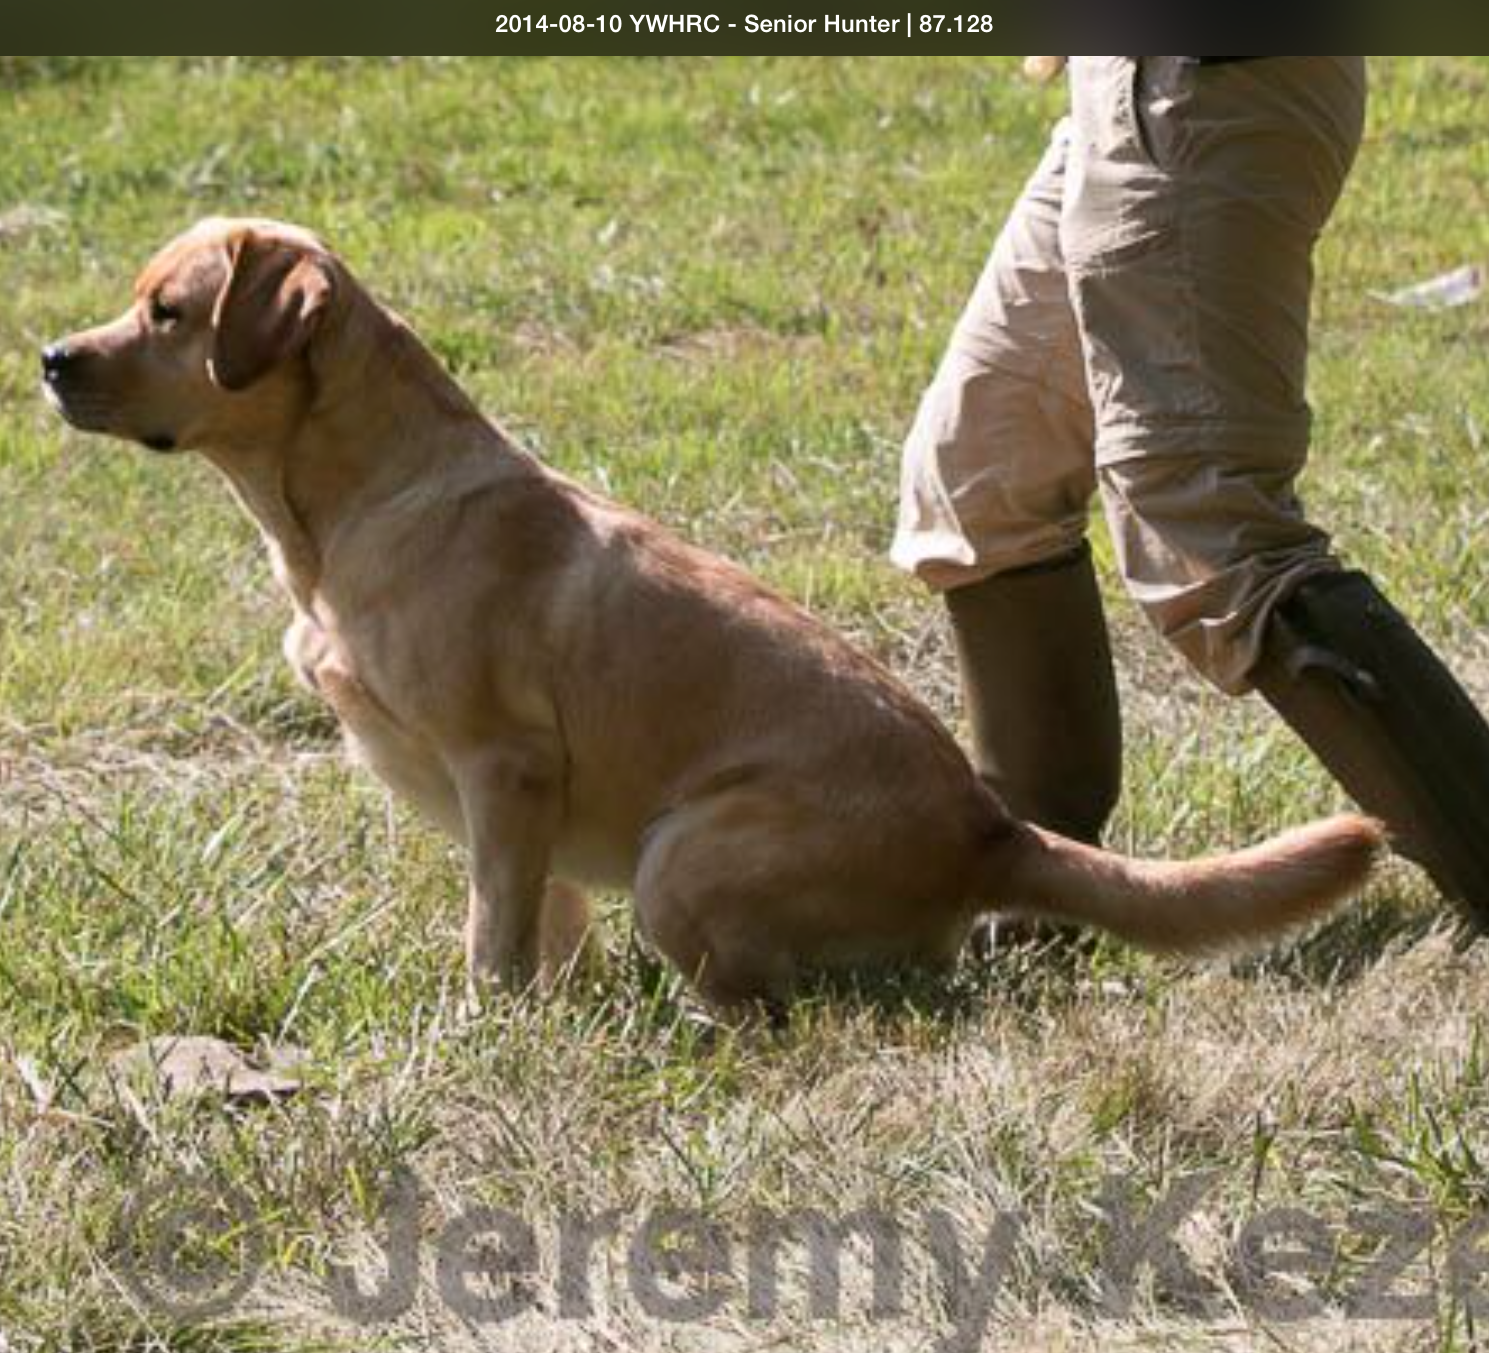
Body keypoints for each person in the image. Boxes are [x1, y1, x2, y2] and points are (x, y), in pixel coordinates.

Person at [892, 56, 1489, 929]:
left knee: (1210, 521)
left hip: (1203, 79)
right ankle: (1034, 896)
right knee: (983, 472)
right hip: (1123, 83)